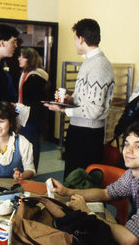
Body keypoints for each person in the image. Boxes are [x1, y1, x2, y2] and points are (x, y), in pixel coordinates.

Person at [44, 18, 115, 179]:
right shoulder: (89, 62)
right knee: (71, 179)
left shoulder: (99, 66)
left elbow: (94, 110)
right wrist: (70, 100)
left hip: (87, 135)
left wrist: (62, 110)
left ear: (82, 38)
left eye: (75, 38)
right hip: (80, 131)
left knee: (80, 183)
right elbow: (85, 99)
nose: (75, 43)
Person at [15, 47, 49, 171]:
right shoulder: (25, 74)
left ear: (30, 60)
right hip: (24, 116)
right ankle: (26, 171)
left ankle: (31, 172)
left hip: (31, 118)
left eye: (22, 57)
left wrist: (18, 107)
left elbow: (36, 103)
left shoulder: (36, 78)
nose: (19, 59)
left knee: (31, 146)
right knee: (25, 146)